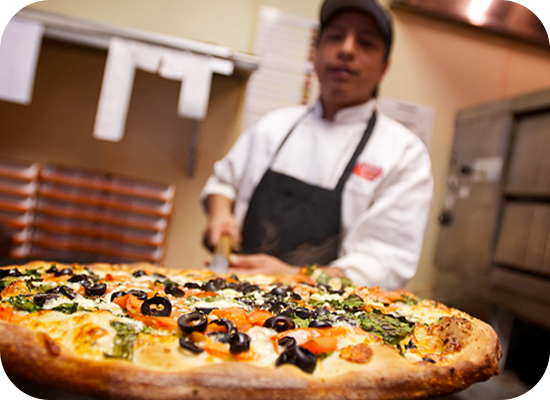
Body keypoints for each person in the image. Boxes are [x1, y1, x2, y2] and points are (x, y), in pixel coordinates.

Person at [200, 0, 433, 290]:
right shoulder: (274, 126)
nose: (347, 49)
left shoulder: (404, 154)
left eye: (366, 42)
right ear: (315, 52)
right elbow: (223, 186)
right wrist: (221, 216)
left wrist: (294, 277)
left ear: (384, 68)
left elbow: (382, 264)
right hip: (232, 296)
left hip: (330, 324)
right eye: (336, 36)